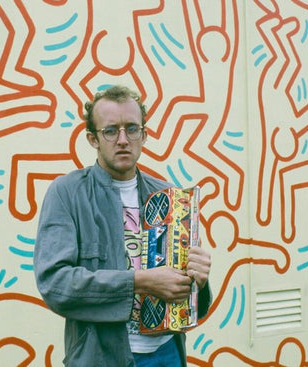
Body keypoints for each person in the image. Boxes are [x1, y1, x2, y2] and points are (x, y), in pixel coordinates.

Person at [34, 85, 212, 366]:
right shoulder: (67, 193)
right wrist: (139, 282)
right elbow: (55, 284)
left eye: (132, 128)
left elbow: (192, 303)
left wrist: (198, 279)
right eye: (110, 130)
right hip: (101, 356)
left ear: (144, 134)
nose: (123, 139)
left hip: (167, 352)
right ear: (93, 138)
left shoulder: (169, 195)